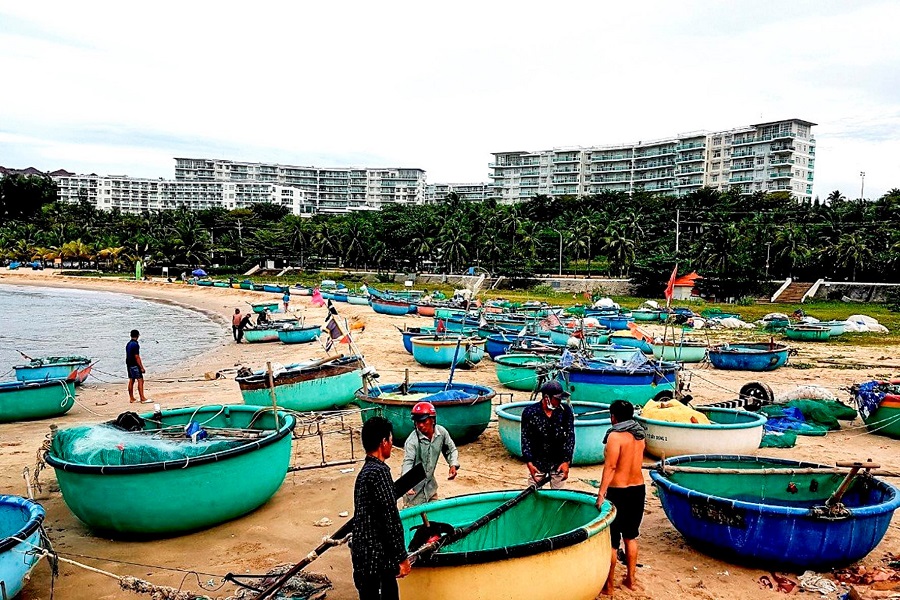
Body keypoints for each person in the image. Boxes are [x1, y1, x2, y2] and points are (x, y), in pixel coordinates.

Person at [352, 416, 410, 600]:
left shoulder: (364, 474)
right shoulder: (380, 472)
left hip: (362, 559)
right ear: (383, 442)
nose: (392, 445)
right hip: (377, 562)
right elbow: (390, 518)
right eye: (391, 440)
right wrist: (402, 557)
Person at [597, 400, 647, 595]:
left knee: (612, 542)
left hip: (618, 490)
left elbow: (610, 467)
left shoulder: (615, 437)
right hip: (638, 488)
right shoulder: (639, 435)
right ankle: (631, 580)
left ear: (613, 416)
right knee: (631, 537)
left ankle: (608, 586)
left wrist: (601, 493)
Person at [401, 402, 459, 506]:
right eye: (417, 422)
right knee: (415, 521)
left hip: (430, 488)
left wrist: (453, 464)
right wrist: (406, 484)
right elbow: (407, 462)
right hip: (414, 493)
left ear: (432, 419)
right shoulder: (412, 441)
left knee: (434, 518)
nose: (420, 425)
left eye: (423, 421)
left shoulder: (442, 433)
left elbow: (451, 449)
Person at [521, 380, 575, 489]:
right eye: (557, 399)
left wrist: (566, 461)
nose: (559, 402)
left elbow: (570, 437)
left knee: (557, 497)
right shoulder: (530, 413)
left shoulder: (565, 412)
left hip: (558, 463)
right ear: (546, 398)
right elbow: (525, 438)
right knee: (533, 495)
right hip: (538, 462)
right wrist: (529, 462)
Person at [126, 329, 149, 403]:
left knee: (131, 380)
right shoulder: (135, 344)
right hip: (134, 364)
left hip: (129, 364)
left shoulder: (128, 344)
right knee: (140, 380)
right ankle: (142, 398)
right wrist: (141, 367)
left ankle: (131, 398)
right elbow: (137, 356)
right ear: (137, 336)